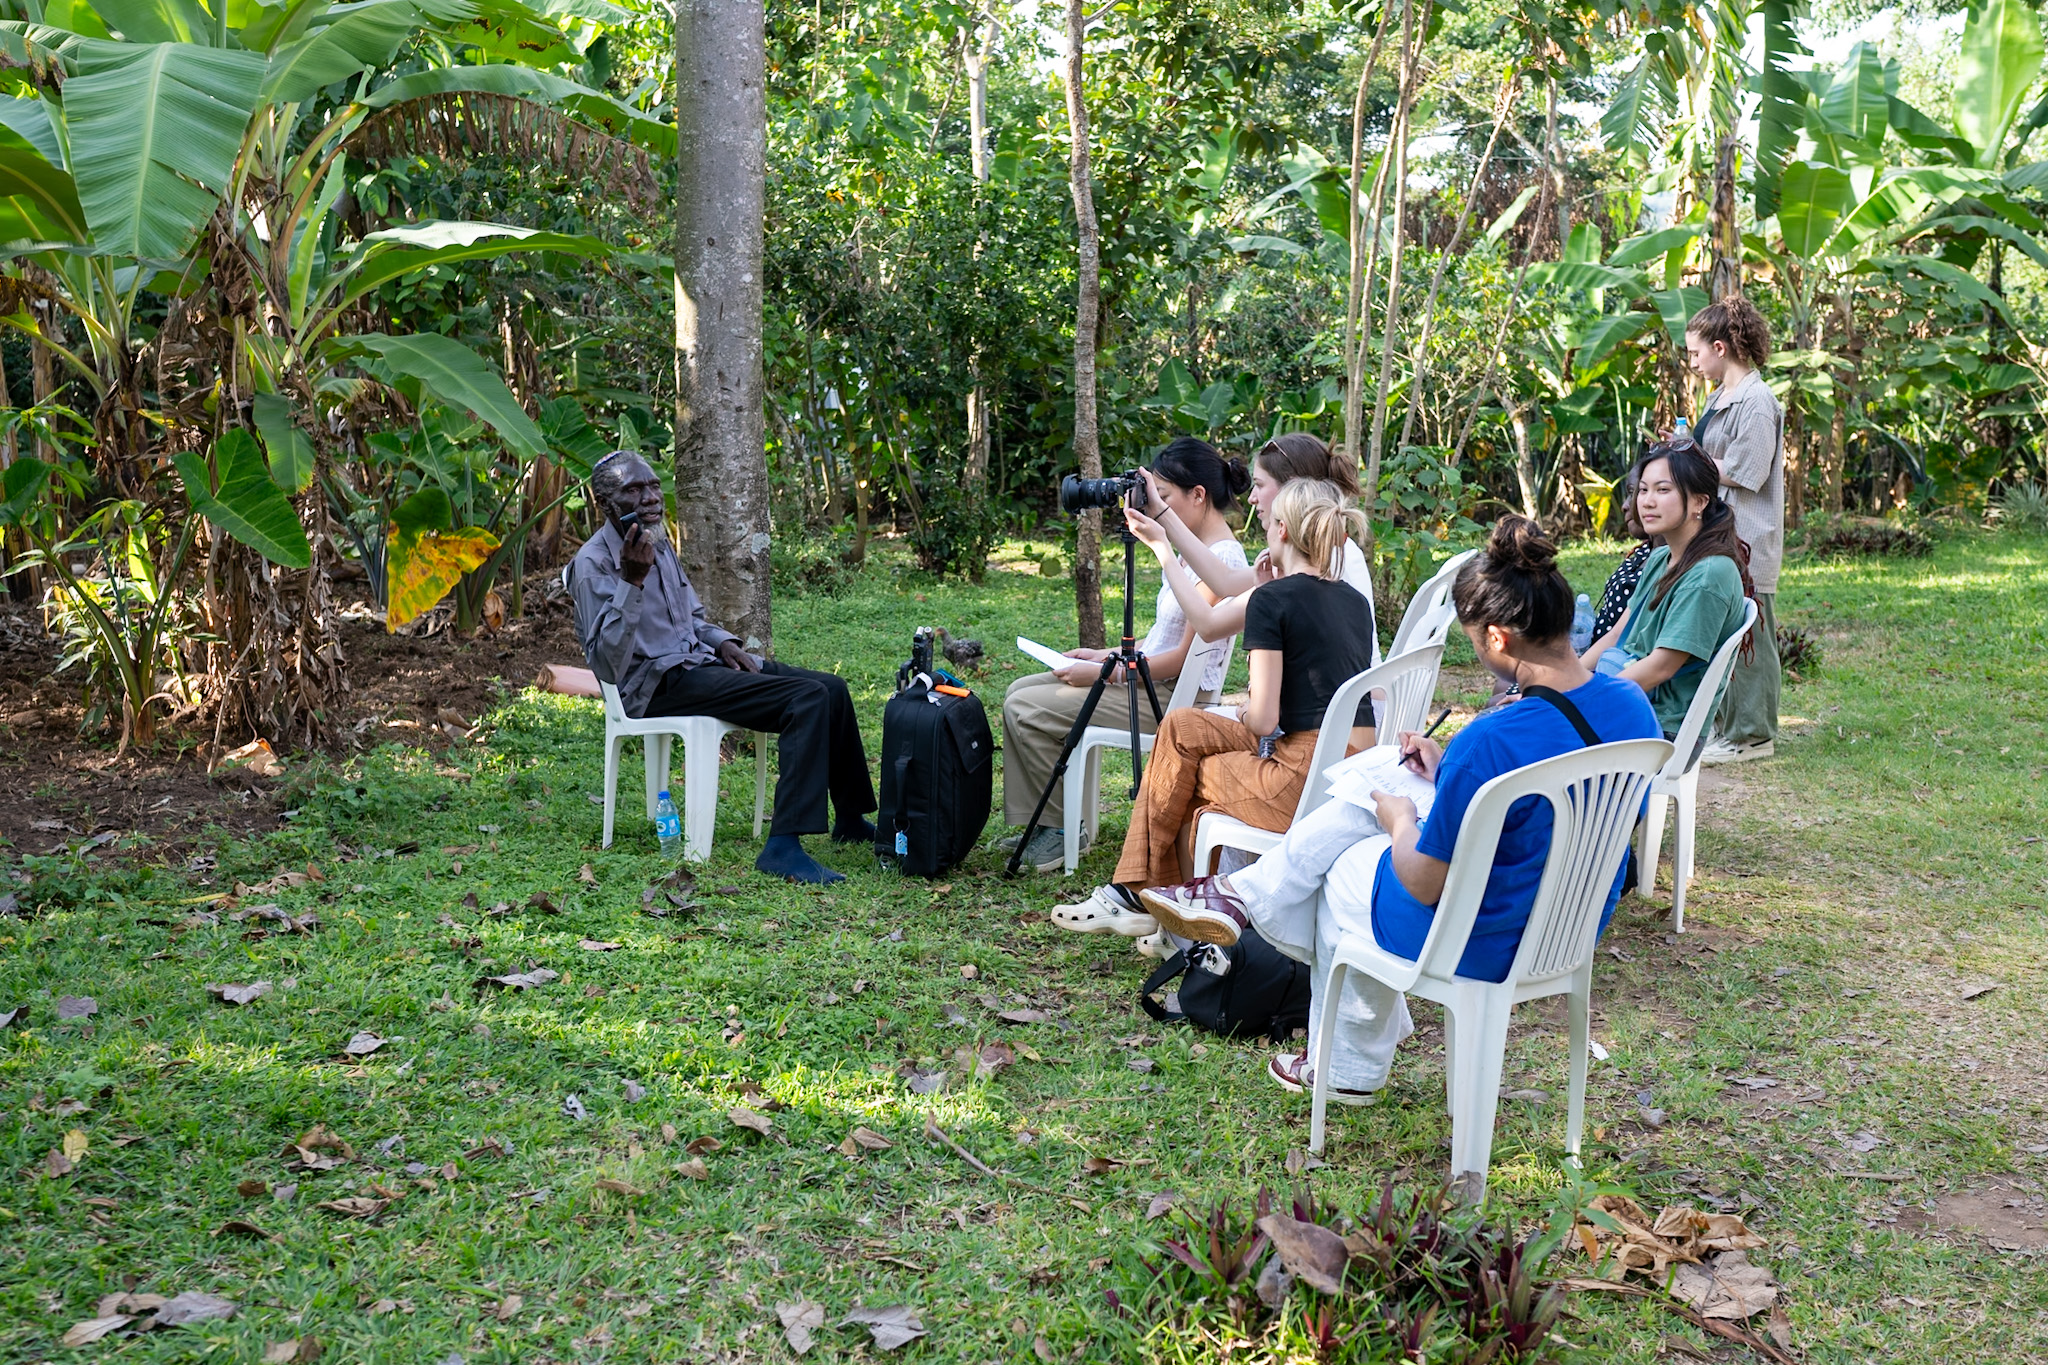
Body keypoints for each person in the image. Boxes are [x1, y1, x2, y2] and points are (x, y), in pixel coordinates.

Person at [1134, 517, 1661, 1099]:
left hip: (1480, 936)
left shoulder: (1491, 740)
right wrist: (1444, 771)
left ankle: (1340, 1060)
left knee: (1343, 865)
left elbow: (1424, 882)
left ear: (1497, 639)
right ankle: (1247, 899)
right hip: (1570, 924)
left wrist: (1400, 820)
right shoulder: (1632, 708)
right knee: (1381, 793)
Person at [1051, 479, 1377, 937]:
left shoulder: (1272, 600)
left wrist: (1243, 710)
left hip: (1302, 780)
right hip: (1348, 772)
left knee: (1186, 775)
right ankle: (1150, 903)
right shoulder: (1353, 600)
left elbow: (1263, 719)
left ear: (1281, 531)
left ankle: (1150, 903)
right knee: (1183, 728)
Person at [569, 451, 875, 885]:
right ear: (605, 502)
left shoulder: (657, 542)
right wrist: (630, 582)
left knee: (832, 688)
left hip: (698, 663)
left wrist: (723, 642)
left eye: (653, 485)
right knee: (806, 700)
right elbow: (607, 663)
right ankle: (783, 847)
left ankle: (849, 819)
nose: (651, 497)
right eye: (634, 490)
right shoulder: (593, 564)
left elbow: (691, 618)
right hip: (653, 685)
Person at [1000, 437, 1250, 872]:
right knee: (1022, 689)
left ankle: (1061, 830)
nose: (1156, 507)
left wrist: (1105, 677)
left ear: (1198, 495)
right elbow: (1157, 639)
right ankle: (1043, 823)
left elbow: (1176, 660)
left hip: (1168, 699)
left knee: (1024, 706)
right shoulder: (1195, 552)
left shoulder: (1221, 559)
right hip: (1149, 681)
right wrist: (1099, 656)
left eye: (1164, 497)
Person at [1122, 433, 1381, 672]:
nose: (1251, 498)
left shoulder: (1310, 558)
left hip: (1333, 714)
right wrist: (1161, 513)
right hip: (1353, 704)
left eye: (1259, 484)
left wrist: (1162, 547)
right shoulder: (1335, 547)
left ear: (1290, 488)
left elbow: (1210, 626)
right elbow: (1225, 581)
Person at [1580, 440, 1754, 742]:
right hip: (1632, 706)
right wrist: (1561, 687)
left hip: (1661, 731)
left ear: (1699, 502)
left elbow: (1661, 667)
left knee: (1523, 742)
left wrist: (1582, 702)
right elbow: (1615, 635)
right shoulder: (1661, 558)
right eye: (1643, 490)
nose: (1646, 502)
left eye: (1663, 490)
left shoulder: (1709, 575)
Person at [1684, 296, 1783, 764]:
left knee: (1752, 635)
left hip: (1747, 533)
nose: (1693, 361)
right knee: (1726, 631)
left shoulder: (1758, 402)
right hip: (1719, 533)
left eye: (1696, 352)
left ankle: (1753, 735)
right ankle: (1728, 729)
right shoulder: (1720, 395)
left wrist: (1691, 458)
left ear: (1720, 347)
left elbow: (1748, 470)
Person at [1591, 462, 1656, 643]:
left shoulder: (1675, 565)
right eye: (1641, 492)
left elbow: (1619, 639)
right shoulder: (1648, 551)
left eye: (1633, 492)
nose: (1624, 506)